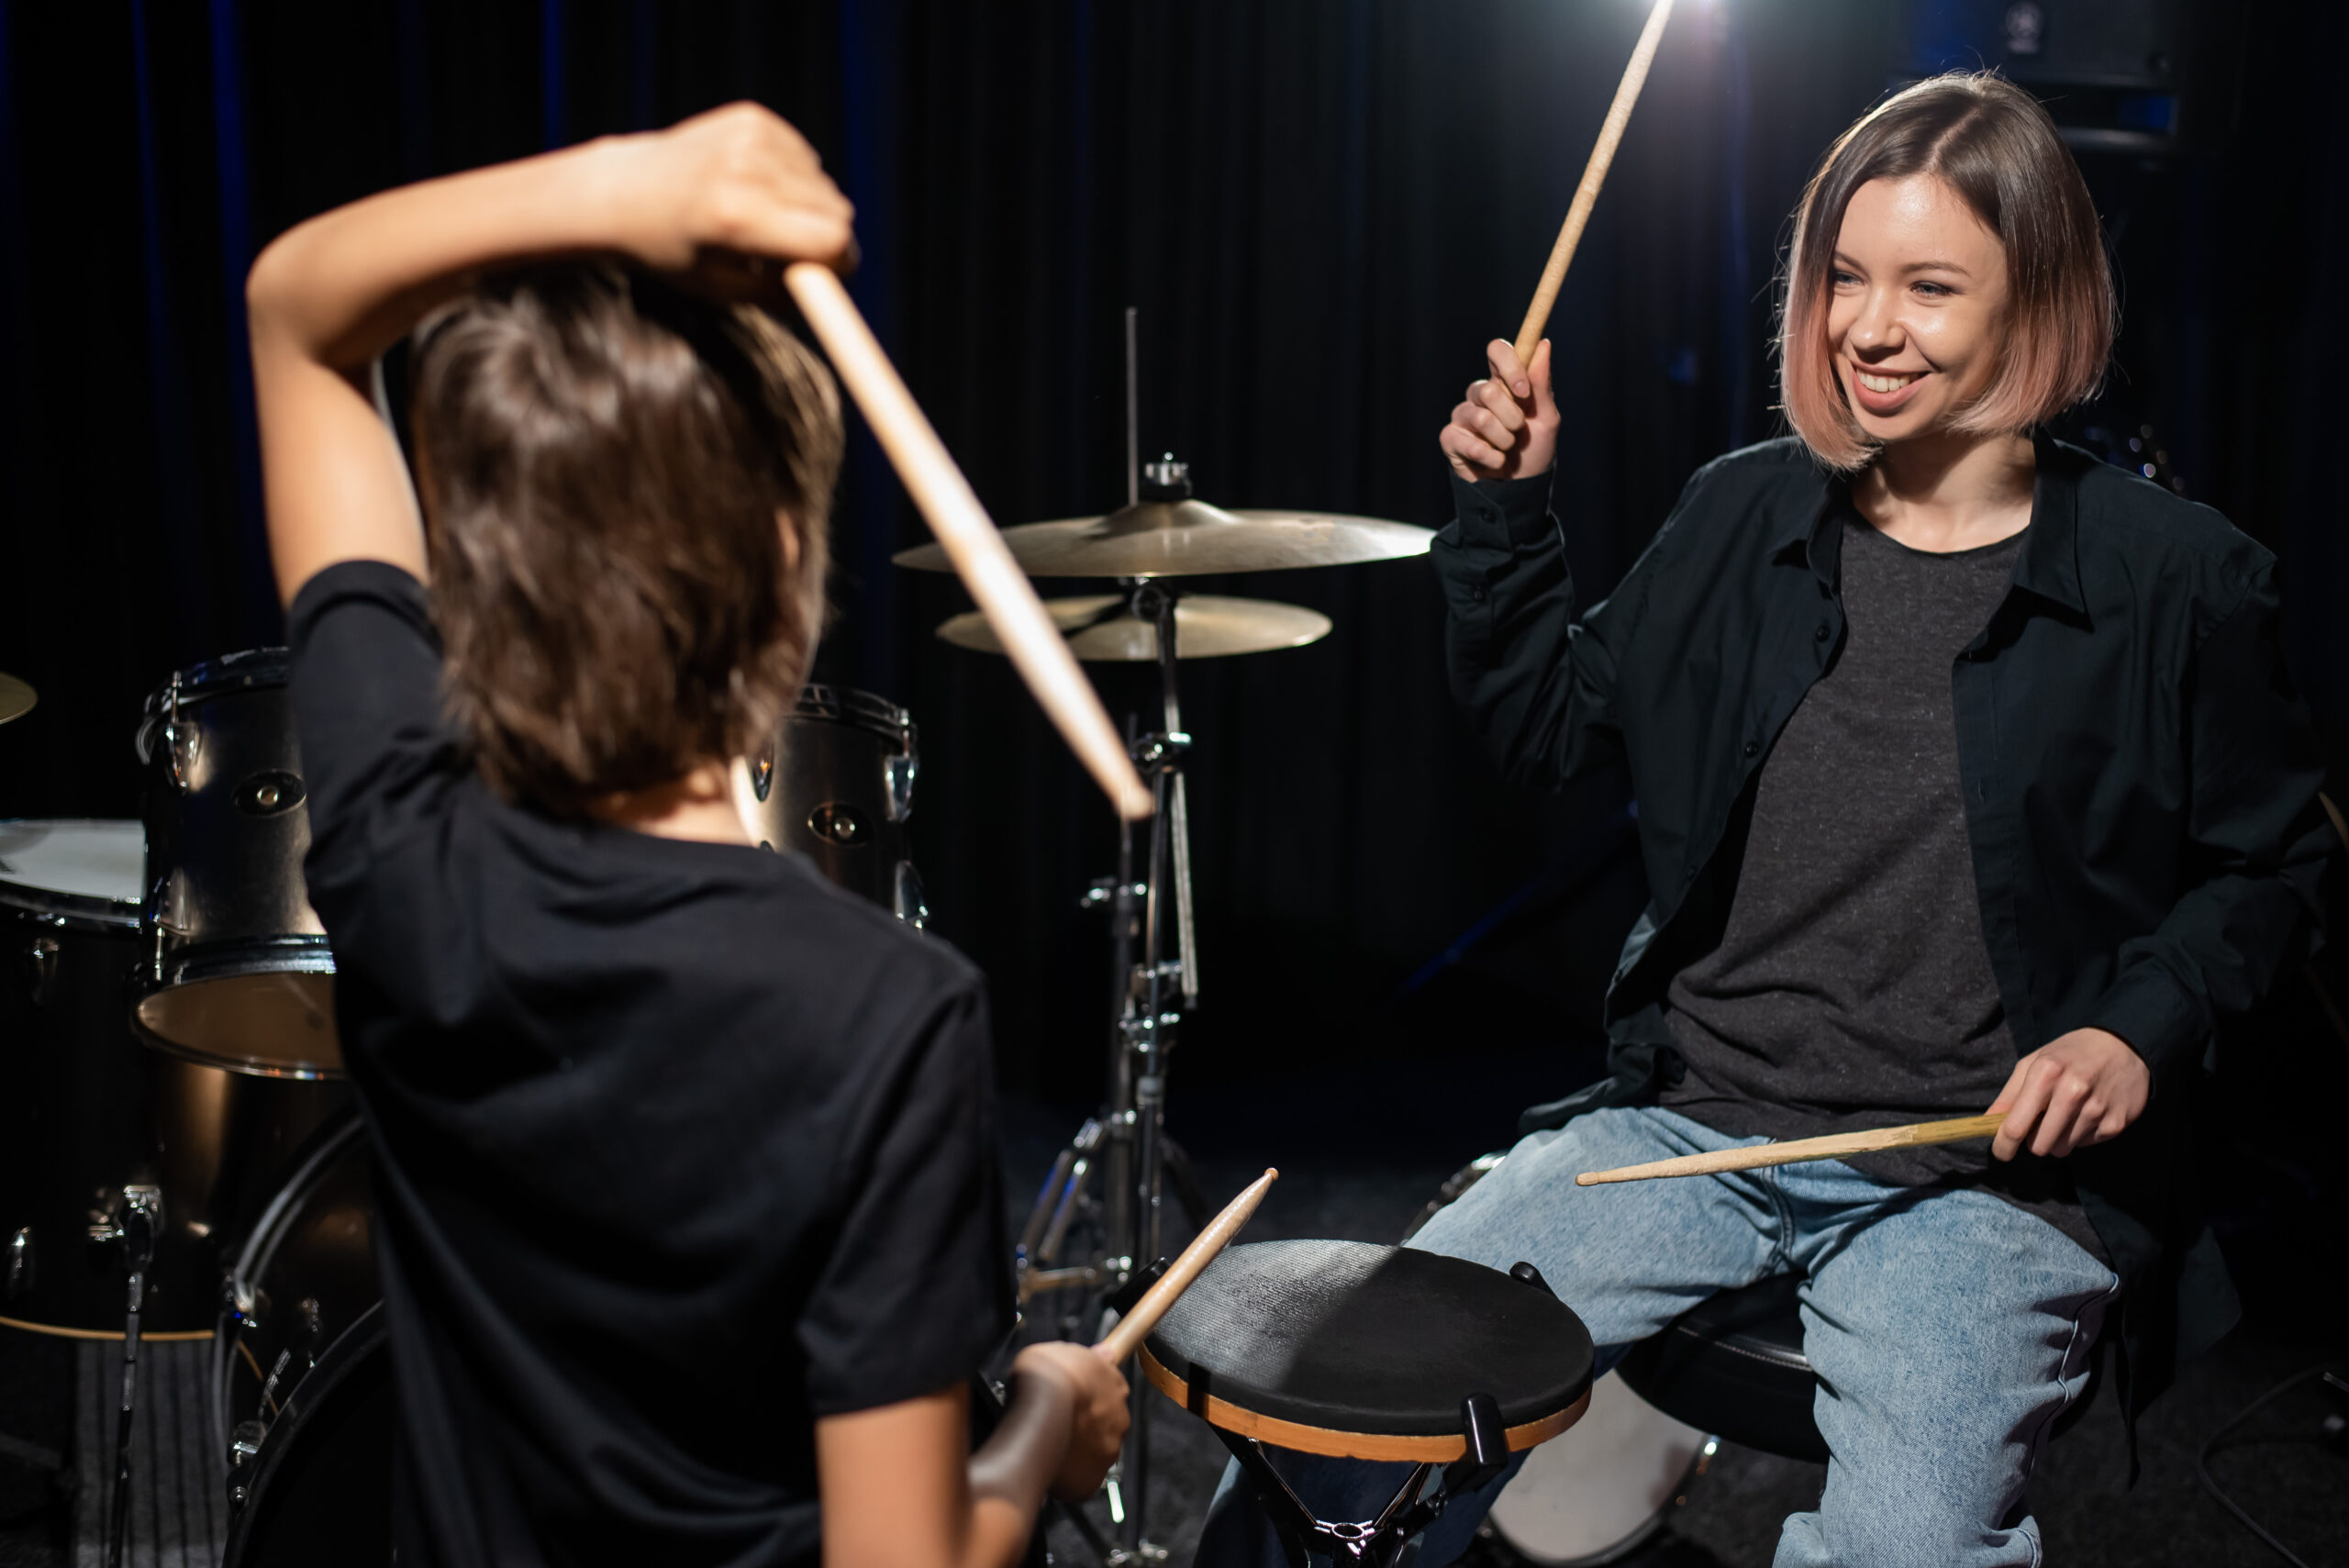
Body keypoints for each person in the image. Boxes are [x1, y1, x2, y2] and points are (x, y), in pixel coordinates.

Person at [1197, 72, 2329, 1566]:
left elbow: (2274, 867)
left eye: (1931, 287)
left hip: (1981, 1188)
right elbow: (1548, 720)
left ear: (2038, 301)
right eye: (1847, 278)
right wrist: (1507, 517)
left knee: (1908, 1549)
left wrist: (2134, 1025)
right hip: (1691, 1126)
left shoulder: (2179, 579)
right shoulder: (1744, 513)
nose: (1870, 328)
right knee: (1327, 1431)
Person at [245, 103, 1128, 1568]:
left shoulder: (403, 858)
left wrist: (622, 187)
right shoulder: (887, 1016)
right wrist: (1041, 1421)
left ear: (464, 580)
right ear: (788, 567)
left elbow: (297, 308)